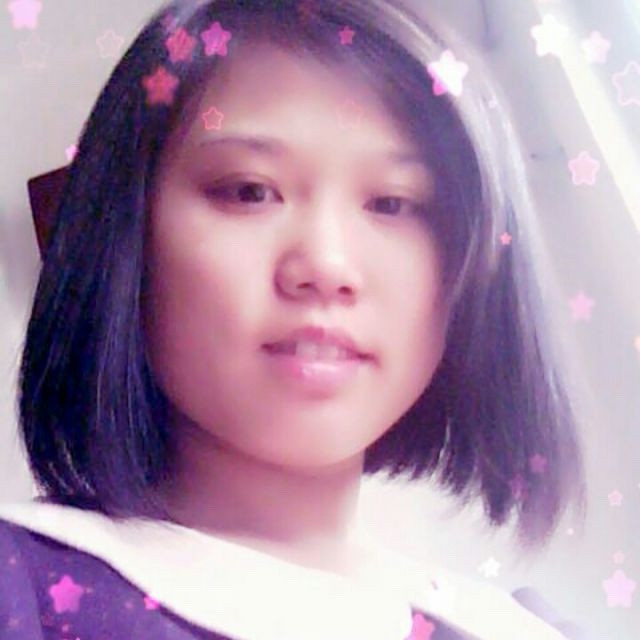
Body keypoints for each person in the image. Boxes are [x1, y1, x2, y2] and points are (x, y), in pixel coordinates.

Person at [0, 0, 591, 638]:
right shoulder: (24, 588)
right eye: (249, 191)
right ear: (124, 235)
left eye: (393, 203)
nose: (327, 265)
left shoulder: (518, 628)